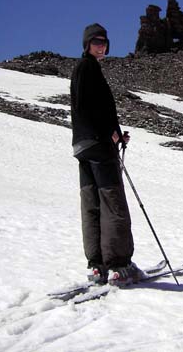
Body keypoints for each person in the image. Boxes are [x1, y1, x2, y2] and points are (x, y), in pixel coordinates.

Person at [70, 23, 141, 286]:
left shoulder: (83, 70)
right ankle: (118, 265)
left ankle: (97, 264)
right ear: (86, 44)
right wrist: (107, 133)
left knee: (92, 204)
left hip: (83, 146)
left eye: (104, 42)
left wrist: (115, 134)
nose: (101, 45)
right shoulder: (88, 68)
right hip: (98, 146)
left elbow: (86, 110)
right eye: (96, 41)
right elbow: (88, 108)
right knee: (113, 204)